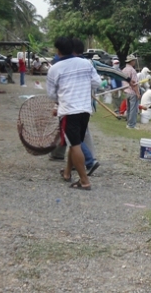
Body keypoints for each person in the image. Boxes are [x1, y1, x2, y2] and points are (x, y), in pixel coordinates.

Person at [47, 37, 102, 190]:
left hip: (68, 111)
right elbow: (97, 82)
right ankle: (66, 173)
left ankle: (84, 181)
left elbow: (52, 94)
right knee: (74, 142)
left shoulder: (55, 68)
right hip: (85, 110)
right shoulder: (86, 63)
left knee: (75, 144)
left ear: (58, 51)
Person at [121, 54, 140, 129]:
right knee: (133, 109)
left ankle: (128, 123)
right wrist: (138, 93)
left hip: (126, 91)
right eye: (134, 60)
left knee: (128, 108)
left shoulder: (124, 70)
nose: (134, 62)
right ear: (131, 61)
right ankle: (131, 125)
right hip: (132, 92)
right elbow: (134, 84)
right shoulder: (133, 70)